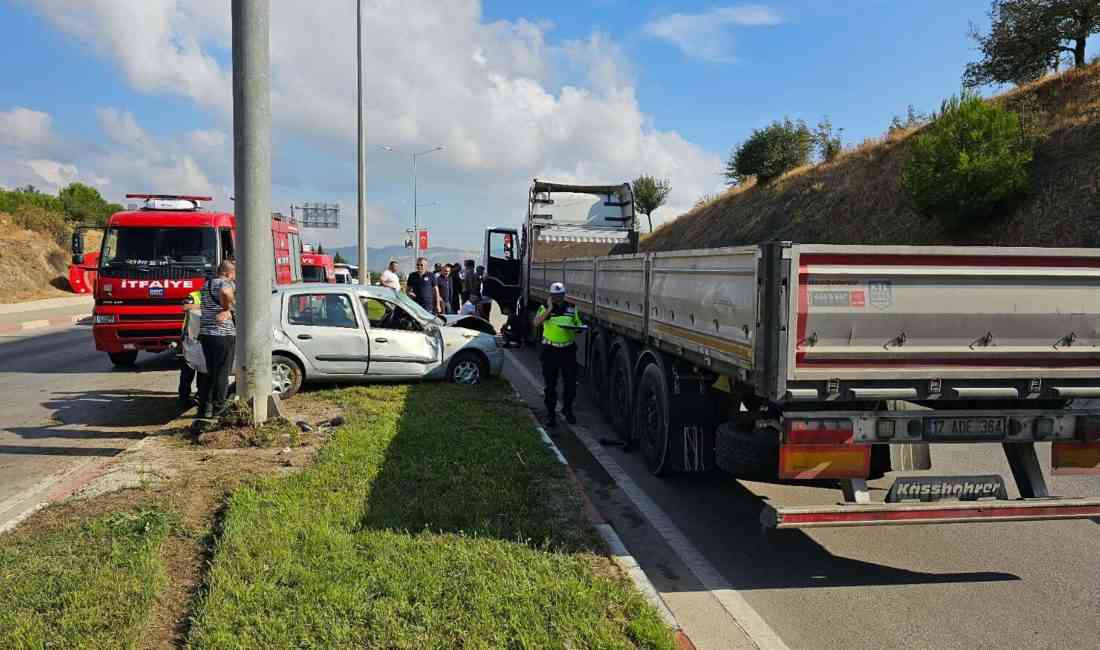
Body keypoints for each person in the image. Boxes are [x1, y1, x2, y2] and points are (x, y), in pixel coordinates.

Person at [533, 282, 583, 426]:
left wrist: (577, 328)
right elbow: (536, 323)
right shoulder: (545, 307)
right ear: (551, 296)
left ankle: (567, 410)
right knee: (550, 385)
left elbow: (577, 324)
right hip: (550, 350)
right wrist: (549, 309)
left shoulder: (571, 308)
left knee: (571, 384)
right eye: (554, 296)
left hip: (567, 350)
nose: (557, 298)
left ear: (564, 295)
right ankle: (550, 415)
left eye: (560, 295)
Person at [198, 260, 236, 418]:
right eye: (233, 274)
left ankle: (204, 408)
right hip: (222, 334)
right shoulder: (225, 283)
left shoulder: (205, 285)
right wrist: (227, 308)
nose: (234, 278)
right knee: (222, 373)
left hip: (206, 334)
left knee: (211, 371)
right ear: (228, 273)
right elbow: (226, 293)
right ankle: (218, 409)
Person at [178, 289, 206, 409]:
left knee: (203, 370)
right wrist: (208, 306)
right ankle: (184, 398)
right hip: (191, 337)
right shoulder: (195, 295)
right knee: (188, 369)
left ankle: (200, 395)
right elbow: (185, 306)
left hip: (205, 336)